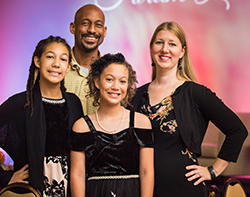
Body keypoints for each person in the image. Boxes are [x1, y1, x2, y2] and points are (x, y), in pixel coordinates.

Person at [132, 21, 248, 197]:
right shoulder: (135, 95)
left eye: (172, 44)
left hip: (183, 189)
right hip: (140, 189)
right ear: (151, 48)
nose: (165, 49)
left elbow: (237, 131)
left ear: (182, 52)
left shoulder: (195, 93)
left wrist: (213, 170)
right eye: (159, 42)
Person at [0, 35, 83, 196]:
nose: (56, 64)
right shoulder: (20, 104)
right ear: (37, 61)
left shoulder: (74, 103)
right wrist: (5, 177)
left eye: (63, 59)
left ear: (68, 67)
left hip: (69, 187)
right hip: (31, 189)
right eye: (50, 57)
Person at [69, 53, 154, 197]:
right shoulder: (81, 126)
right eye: (109, 79)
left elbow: (147, 172)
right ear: (97, 81)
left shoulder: (141, 122)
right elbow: (77, 174)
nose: (116, 87)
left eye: (122, 81)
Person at [64, 4, 107, 115]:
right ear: (73, 27)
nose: (92, 30)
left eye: (98, 25)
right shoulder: (56, 70)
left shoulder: (111, 72)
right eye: (85, 23)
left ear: (104, 31)